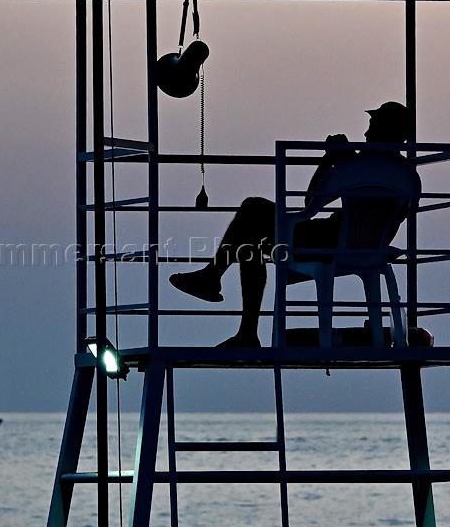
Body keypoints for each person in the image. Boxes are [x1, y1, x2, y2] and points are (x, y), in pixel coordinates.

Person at [169, 101, 417, 347]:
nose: (365, 133)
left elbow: (311, 201)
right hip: (369, 251)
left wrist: (330, 159)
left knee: (253, 210)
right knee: (250, 240)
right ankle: (222, 297)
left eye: (372, 125)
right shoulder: (406, 174)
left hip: (327, 241)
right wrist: (348, 159)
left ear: (385, 131)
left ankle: (228, 303)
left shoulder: (356, 167)